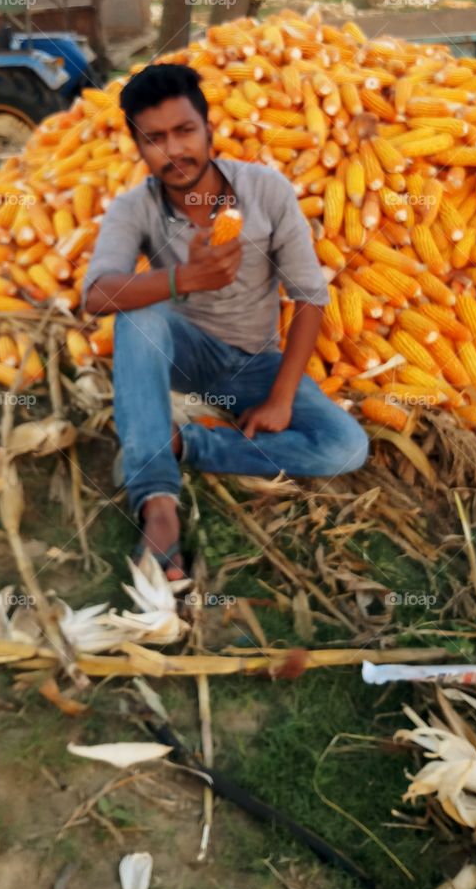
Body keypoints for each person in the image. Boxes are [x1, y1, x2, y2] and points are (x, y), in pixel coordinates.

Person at [82, 64, 369, 581]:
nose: (174, 151)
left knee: (346, 446)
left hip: (255, 361)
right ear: (138, 147)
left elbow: (309, 296)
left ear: (209, 128)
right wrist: (182, 280)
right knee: (139, 312)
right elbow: (97, 295)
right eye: (155, 140)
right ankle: (159, 503)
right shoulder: (133, 208)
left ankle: (186, 444)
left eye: (185, 131)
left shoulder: (267, 191)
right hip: (181, 353)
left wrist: (281, 397)